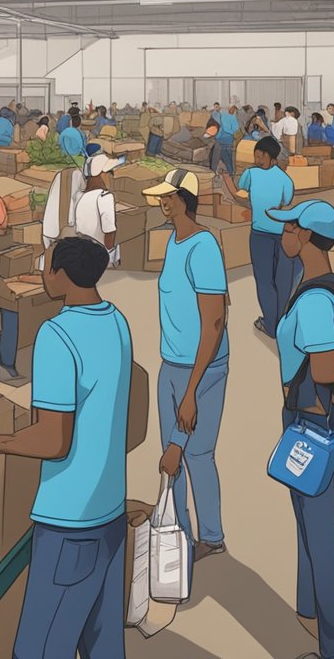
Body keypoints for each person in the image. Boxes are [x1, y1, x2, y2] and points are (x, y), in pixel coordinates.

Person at [0, 237, 131, 659]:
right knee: (103, 645)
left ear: (61, 275)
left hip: (69, 522)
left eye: (45, 267)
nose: (42, 275)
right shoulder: (116, 321)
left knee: (39, 650)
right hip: (110, 511)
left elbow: (53, 440)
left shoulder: (57, 335)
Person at [265, 200, 334, 659]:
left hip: (315, 425)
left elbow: (326, 368)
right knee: (311, 524)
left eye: (288, 228)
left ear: (305, 236)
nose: (283, 235)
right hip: (333, 423)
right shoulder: (333, 286)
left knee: (320, 537)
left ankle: (333, 649)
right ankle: (308, 609)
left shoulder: (314, 300)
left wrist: (296, 374)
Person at [143, 169, 230, 563]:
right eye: (161, 196)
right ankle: (178, 531)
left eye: (170, 196)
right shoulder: (174, 242)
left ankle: (210, 536)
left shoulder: (203, 246)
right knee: (170, 454)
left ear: (185, 199)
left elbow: (214, 322)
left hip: (203, 368)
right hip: (172, 362)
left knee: (194, 454)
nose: (163, 202)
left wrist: (192, 391)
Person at [219, 137, 298, 337]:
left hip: (261, 234)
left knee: (264, 281)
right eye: (256, 155)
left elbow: (240, 192)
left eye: (261, 155)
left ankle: (271, 325)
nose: (257, 158)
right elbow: (286, 201)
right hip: (279, 233)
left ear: (272, 157)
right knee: (279, 280)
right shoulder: (284, 179)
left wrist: (227, 179)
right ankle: (278, 322)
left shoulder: (250, 174)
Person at [74, 154, 126, 263]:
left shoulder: (79, 196)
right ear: (100, 175)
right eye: (109, 173)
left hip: (81, 252)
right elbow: (109, 232)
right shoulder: (105, 197)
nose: (111, 176)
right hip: (99, 256)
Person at [213, 105, 241, 175]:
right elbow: (235, 129)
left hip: (226, 141)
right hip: (225, 141)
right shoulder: (226, 116)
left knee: (227, 158)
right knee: (227, 158)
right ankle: (231, 172)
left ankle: (230, 172)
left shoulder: (227, 116)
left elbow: (233, 129)